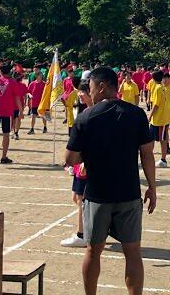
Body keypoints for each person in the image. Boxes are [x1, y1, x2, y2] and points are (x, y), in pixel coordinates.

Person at [65, 67, 156, 295]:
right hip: (129, 193)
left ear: (102, 86)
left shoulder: (86, 117)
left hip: (98, 194)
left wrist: (88, 154)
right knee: (133, 253)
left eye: (91, 87)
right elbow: (147, 154)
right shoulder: (136, 114)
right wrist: (152, 188)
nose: (90, 92)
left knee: (93, 251)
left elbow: (70, 159)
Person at [61, 79, 92, 248]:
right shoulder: (85, 111)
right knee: (76, 197)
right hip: (79, 162)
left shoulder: (93, 114)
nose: (80, 94)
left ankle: (82, 234)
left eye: (83, 92)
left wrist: (85, 162)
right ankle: (90, 228)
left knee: (81, 198)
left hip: (85, 163)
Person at [0, 62, 23, 164]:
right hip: (7, 112)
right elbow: (17, 98)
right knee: (6, 134)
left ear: (0, 71)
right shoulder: (13, 82)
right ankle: (3, 157)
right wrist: (21, 111)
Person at [148, 70, 170, 168]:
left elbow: (156, 105)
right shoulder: (162, 87)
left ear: (153, 78)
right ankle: (154, 158)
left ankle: (163, 160)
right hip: (159, 119)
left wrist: (150, 116)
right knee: (153, 139)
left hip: (160, 119)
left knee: (162, 140)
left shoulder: (158, 88)